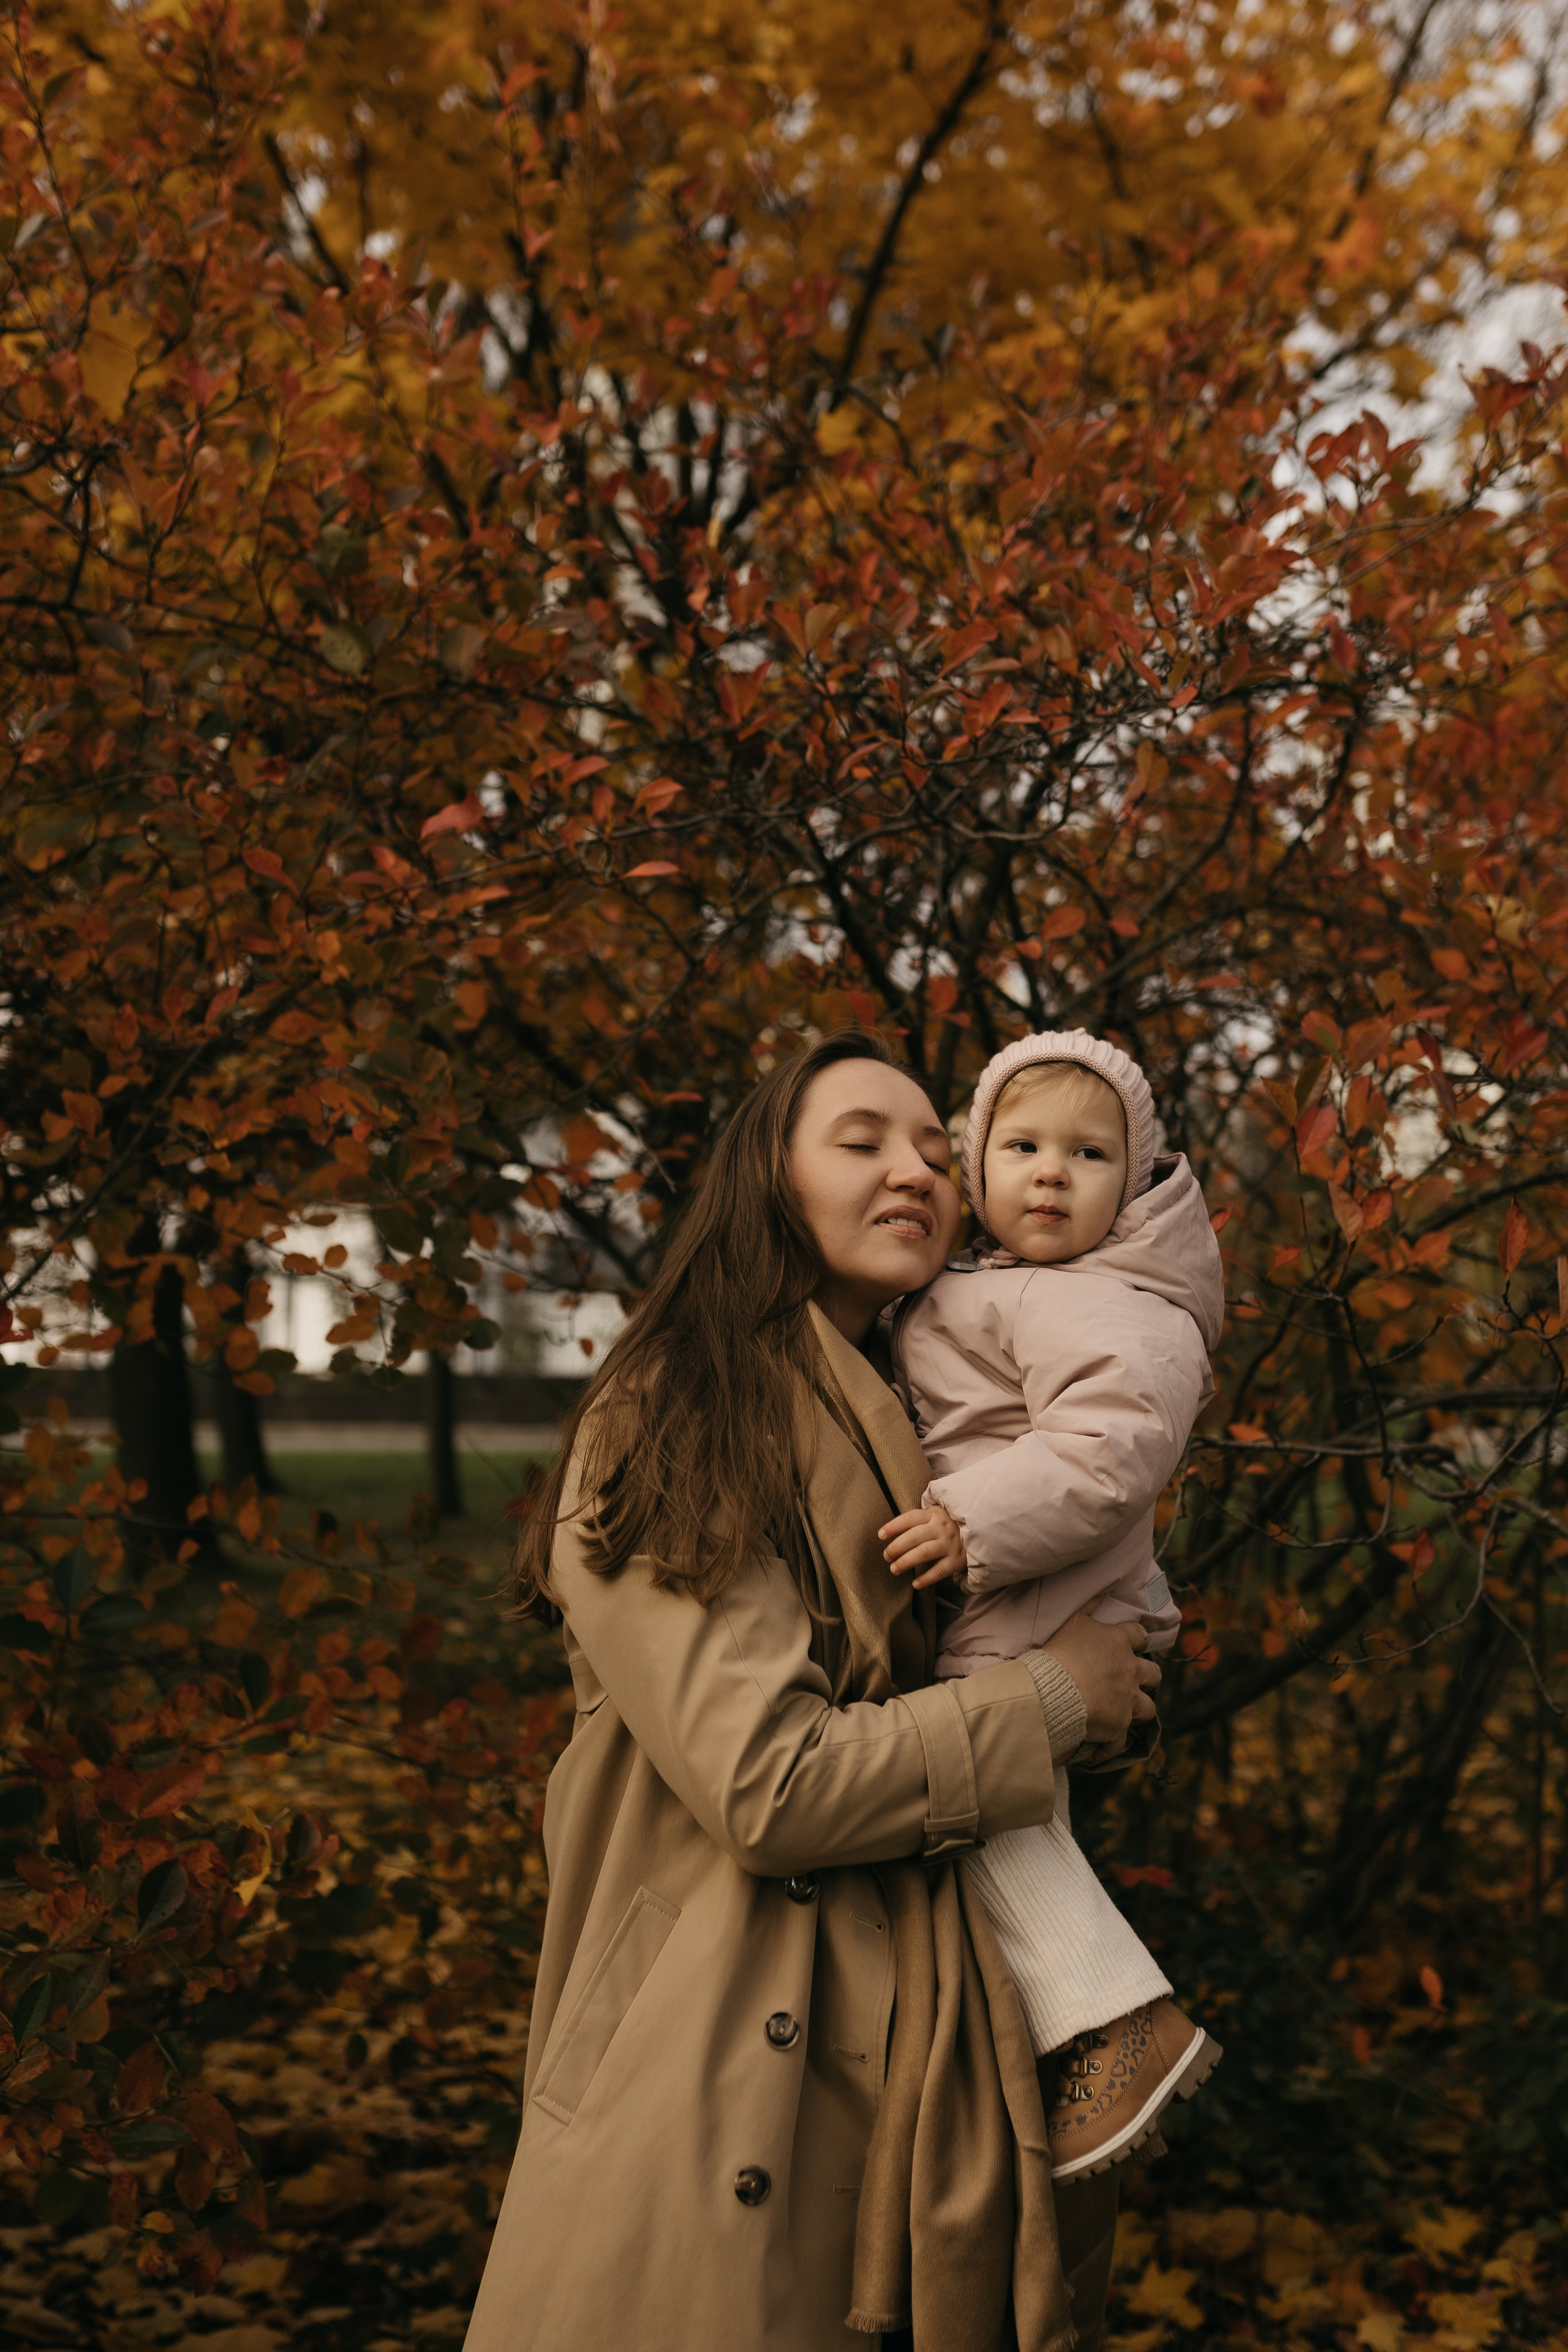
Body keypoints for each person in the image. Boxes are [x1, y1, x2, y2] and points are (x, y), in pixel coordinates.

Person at [464, 1032, 1161, 2352]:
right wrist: (1054, 1700)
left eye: (936, 1151)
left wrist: (1101, 1670)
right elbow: (769, 1787)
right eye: (861, 1142)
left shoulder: (946, 1410)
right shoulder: (671, 1413)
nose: (915, 1171)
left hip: (922, 2058)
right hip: (717, 2057)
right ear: (767, 1181)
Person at [880, 1030, 1226, 2183]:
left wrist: (968, 1523)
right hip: (1029, 1577)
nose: (1050, 1174)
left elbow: (1108, 1453)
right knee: (1000, 1795)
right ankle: (1069, 2036)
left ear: (1131, 1185)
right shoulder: (1010, 1287)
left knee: (975, 1779)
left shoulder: (1118, 1303)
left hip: (1043, 1576)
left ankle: (1115, 2022)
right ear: (975, 1167)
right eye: (1021, 1147)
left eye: (1088, 1155)